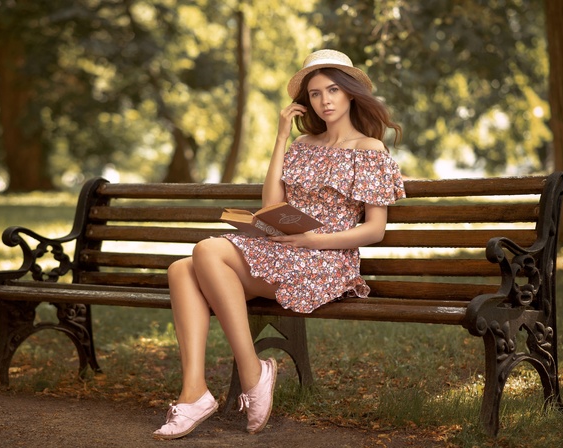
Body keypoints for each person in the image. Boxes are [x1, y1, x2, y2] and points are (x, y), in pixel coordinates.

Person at [153, 49, 406, 440]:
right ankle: (194, 391)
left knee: (205, 250)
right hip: (284, 250)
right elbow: (272, 207)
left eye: (333, 90)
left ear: (351, 93)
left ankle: (252, 372)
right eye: (316, 94)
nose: (325, 101)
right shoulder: (303, 145)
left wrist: (313, 239)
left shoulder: (369, 150)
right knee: (180, 269)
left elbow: (374, 230)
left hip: (326, 261)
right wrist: (281, 138)